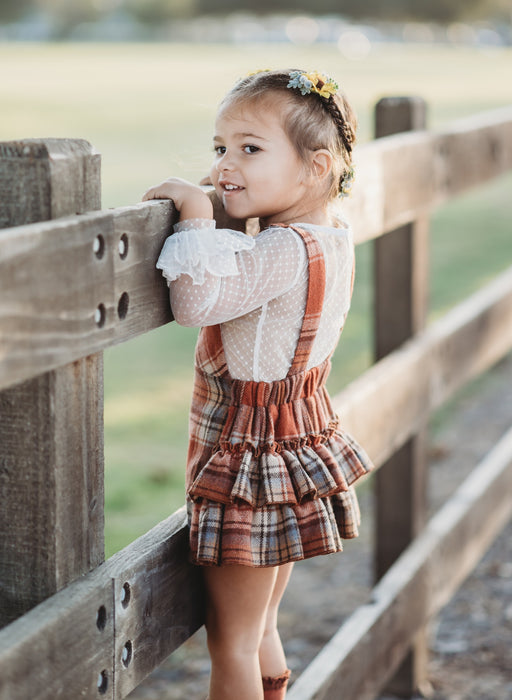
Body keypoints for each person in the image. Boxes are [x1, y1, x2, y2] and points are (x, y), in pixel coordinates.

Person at [142, 68, 373, 700]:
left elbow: (194, 302)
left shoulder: (281, 249)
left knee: (232, 642)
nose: (224, 167)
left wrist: (194, 213)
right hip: (292, 443)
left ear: (316, 167)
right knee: (260, 626)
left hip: (251, 459)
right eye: (220, 148)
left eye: (249, 148)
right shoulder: (330, 238)